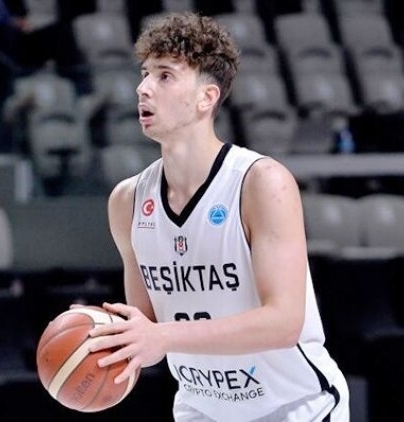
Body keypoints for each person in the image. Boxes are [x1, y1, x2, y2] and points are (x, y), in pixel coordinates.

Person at [84, 11, 350, 422]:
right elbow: (148, 330)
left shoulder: (261, 183)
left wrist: (161, 336)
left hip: (293, 408)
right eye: (145, 74)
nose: (143, 88)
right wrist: (98, 335)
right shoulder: (127, 201)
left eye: (165, 76)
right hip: (202, 409)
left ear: (206, 98)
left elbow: (284, 323)